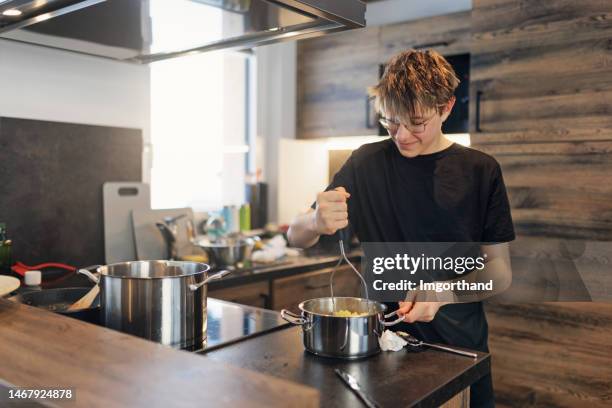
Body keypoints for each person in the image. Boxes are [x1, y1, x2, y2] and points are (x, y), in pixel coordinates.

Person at [287, 49, 515, 407]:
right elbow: (296, 236)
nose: (402, 135)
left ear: (446, 108)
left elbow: (499, 273)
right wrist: (315, 221)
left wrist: (442, 294)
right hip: (378, 349)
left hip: (456, 351)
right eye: (390, 122)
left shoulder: (481, 170)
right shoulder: (365, 161)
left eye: (416, 122)